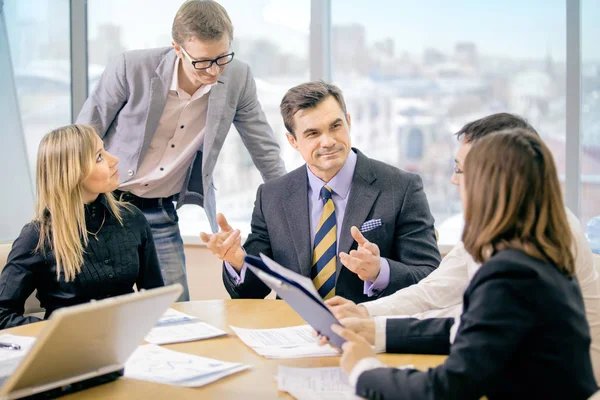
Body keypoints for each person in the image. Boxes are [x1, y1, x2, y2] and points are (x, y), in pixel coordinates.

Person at [324, 113, 600, 380]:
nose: (453, 179)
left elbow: (472, 322)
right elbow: (436, 291)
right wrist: (365, 313)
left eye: (460, 169)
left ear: (494, 175)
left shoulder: (537, 243)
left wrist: (370, 345)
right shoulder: (498, 224)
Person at [76, 0, 286, 301]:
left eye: (222, 57)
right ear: (177, 48)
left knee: (177, 312)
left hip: (160, 210)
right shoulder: (131, 68)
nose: (214, 71)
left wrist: (293, 207)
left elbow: (264, 150)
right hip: (103, 206)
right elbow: (82, 138)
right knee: (95, 308)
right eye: (203, 62)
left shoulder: (238, 78)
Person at [201, 81, 441, 303]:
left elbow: (430, 276)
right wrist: (237, 261)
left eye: (335, 126)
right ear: (293, 141)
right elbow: (253, 291)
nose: (327, 141)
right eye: (313, 133)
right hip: (293, 332)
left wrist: (380, 271)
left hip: (367, 330)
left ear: (348, 122)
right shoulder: (272, 197)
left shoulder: (401, 188)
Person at [0, 125, 164, 330]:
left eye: (104, 150)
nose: (114, 160)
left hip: (130, 341)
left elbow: (156, 298)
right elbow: (2, 315)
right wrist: (57, 332)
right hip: (69, 353)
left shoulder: (132, 218)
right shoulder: (37, 236)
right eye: (99, 157)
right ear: (71, 172)